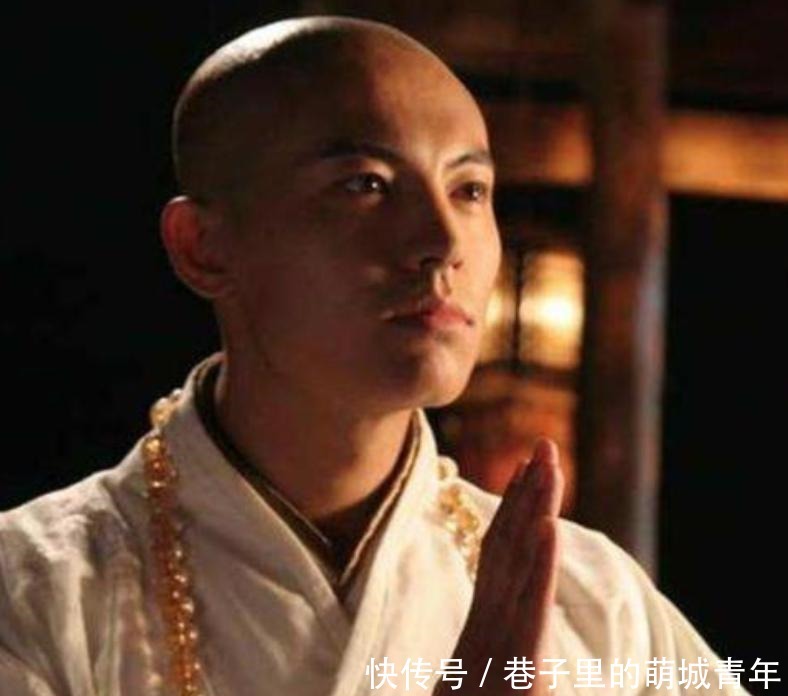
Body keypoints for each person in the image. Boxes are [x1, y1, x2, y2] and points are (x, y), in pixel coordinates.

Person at [0, 16, 751, 696]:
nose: (443, 242)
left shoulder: (598, 604)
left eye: (469, 189)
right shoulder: (35, 588)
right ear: (204, 247)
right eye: (366, 184)